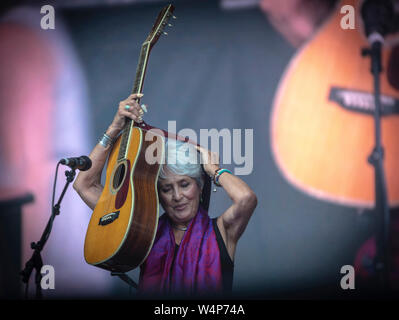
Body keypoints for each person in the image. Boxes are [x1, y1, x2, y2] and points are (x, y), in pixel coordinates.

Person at [73, 94, 258, 296]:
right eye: (167, 188)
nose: (177, 196)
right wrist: (114, 128)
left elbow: (246, 198)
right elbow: (84, 184)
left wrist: (214, 170)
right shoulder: (142, 232)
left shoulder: (223, 231)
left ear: (199, 184)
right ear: (157, 193)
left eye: (185, 184)